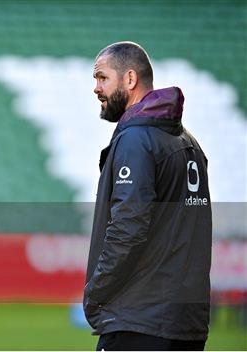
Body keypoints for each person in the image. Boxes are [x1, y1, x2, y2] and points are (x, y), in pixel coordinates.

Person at [83, 41, 212, 350]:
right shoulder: (189, 143)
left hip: (139, 321)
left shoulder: (137, 140)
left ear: (130, 79)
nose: (96, 88)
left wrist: (95, 291)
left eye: (102, 78)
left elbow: (128, 227)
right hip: (185, 323)